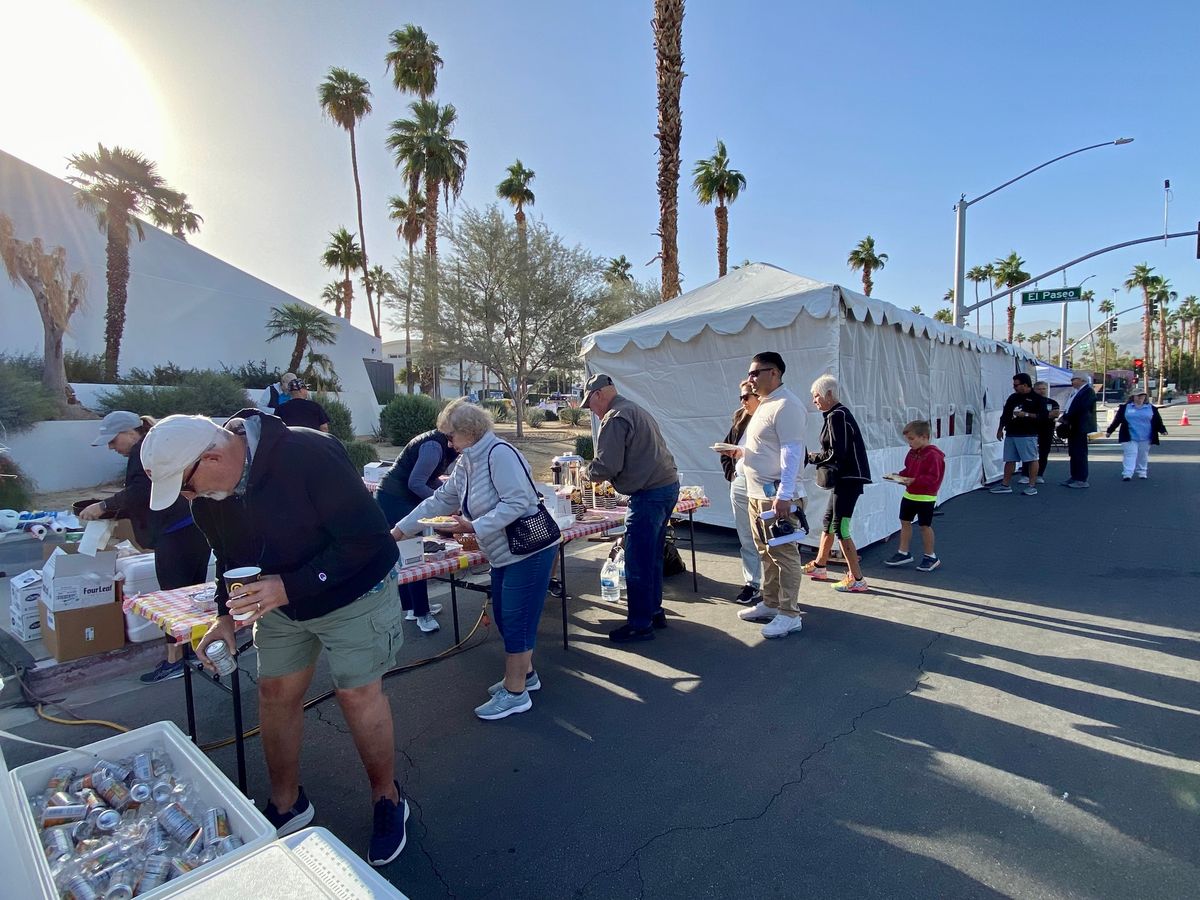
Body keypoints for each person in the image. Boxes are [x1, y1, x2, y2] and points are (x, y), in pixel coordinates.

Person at [140, 411, 408, 866]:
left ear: (212, 454)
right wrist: (225, 617)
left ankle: (387, 798)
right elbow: (231, 558)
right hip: (283, 602)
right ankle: (286, 804)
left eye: (187, 484)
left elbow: (368, 539)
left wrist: (290, 585)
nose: (189, 496)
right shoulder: (209, 496)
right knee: (274, 691)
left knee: (356, 695)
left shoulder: (307, 453)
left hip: (355, 590)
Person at [393, 399, 556, 721]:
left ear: (469, 432)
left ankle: (515, 693)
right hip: (504, 552)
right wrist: (398, 531)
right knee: (506, 616)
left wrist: (474, 526)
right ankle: (527, 676)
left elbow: (519, 501)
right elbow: (442, 499)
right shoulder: (469, 460)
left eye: (450, 435)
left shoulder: (499, 454)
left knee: (516, 619)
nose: (447, 442)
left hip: (528, 551)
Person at [79, 411, 213, 683]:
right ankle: (199, 652)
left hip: (175, 536)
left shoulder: (143, 451)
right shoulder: (153, 446)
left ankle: (176, 660)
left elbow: (141, 492)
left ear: (130, 432)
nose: (111, 447)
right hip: (194, 529)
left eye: (113, 440)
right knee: (194, 597)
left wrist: (104, 506)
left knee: (173, 600)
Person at [581, 374, 680, 643]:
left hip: (649, 494)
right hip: (666, 486)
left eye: (590, 404)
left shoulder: (615, 417)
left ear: (599, 394)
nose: (591, 410)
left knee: (637, 561)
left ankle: (640, 624)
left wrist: (584, 472)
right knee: (652, 557)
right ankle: (653, 611)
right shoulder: (634, 408)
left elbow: (606, 467)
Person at [734, 352, 809, 638]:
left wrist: (785, 494)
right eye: (750, 373)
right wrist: (741, 453)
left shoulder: (787, 404)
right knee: (766, 552)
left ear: (774, 373)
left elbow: (792, 452)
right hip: (759, 494)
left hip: (776, 495)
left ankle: (790, 614)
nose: (750, 379)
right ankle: (771, 603)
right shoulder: (767, 404)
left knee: (785, 555)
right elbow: (768, 448)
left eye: (755, 373)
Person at [376, 428, 459, 633]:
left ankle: (413, 608)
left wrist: (445, 495)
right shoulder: (433, 446)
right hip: (394, 499)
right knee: (414, 555)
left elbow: (430, 479)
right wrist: (443, 503)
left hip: (398, 496)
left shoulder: (440, 443)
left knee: (406, 555)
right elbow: (416, 483)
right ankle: (422, 614)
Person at [804, 375, 873, 593]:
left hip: (848, 478)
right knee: (829, 521)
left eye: (816, 396)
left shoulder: (837, 415)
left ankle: (857, 578)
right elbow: (836, 451)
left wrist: (811, 457)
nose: (814, 400)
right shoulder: (837, 415)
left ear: (829, 394)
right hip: (846, 478)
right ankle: (820, 565)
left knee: (840, 527)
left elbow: (836, 452)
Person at [718, 380, 763, 605]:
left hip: (764, 485)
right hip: (741, 482)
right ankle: (752, 583)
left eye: (747, 397)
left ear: (759, 397)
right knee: (746, 536)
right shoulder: (741, 419)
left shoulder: (771, 418)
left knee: (767, 538)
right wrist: (732, 474)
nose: (743, 401)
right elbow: (726, 448)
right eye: (741, 397)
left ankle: (776, 588)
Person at [884, 420, 945, 572]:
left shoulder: (934, 455)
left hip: (926, 497)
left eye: (911, 439)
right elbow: (909, 470)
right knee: (905, 522)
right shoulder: (912, 452)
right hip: (910, 494)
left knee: (925, 526)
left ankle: (931, 556)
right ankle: (903, 552)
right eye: (908, 440)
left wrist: (912, 480)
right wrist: (899, 476)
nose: (909, 443)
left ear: (924, 437)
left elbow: (933, 478)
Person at [990, 372, 1049, 496]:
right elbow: (1005, 414)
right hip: (1012, 432)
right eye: (1014, 385)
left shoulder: (1037, 399)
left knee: (1031, 459)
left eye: (1016, 385)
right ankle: (1005, 484)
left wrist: (1026, 414)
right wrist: (1000, 429)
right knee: (1009, 458)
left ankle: (1032, 485)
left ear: (1025, 385)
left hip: (1028, 433)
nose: (1014, 387)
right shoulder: (1013, 397)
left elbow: (1043, 417)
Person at [1106, 389, 1168, 480]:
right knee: (1130, 453)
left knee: (1142, 455)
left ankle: (1142, 471)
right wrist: (1109, 431)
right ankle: (1127, 473)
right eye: (1138, 396)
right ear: (1133, 397)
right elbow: (1117, 420)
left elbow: (1157, 421)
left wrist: (1162, 430)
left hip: (1146, 436)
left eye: (1142, 396)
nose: (1140, 398)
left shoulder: (1151, 408)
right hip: (1129, 436)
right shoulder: (1125, 408)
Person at [1059, 374, 1097, 489]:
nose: (1072, 382)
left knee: (1080, 452)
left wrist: (1067, 417)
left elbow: (1082, 407)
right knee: (1074, 452)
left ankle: (1081, 478)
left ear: (1081, 380)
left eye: (1073, 379)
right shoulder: (1076, 392)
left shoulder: (1088, 391)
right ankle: (1074, 476)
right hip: (1073, 425)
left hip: (1080, 426)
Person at [1021, 381, 1059, 485]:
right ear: (1034, 389)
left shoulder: (1052, 402)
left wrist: (1036, 415)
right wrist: (1041, 415)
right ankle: (1025, 474)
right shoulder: (1028, 401)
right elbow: (1024, 414)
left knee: (1044, 452)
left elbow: (1054, 414)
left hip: (1047, 429)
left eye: (1044, 389)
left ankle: (1039, 474)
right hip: (1031, 429)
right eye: (1039, 389)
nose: (1042, 391)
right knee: (1028, 451)